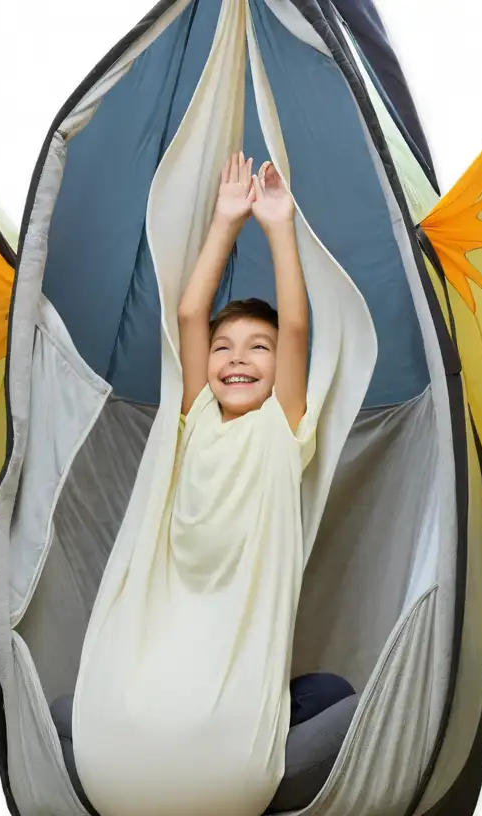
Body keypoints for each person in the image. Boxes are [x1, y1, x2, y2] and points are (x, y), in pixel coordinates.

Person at [62, 153, 356, 816]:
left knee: (72, 715)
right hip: (212, 759)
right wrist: (228, 220)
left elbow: (295, 325)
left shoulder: (282, 428)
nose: (237, 359)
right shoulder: (191, 421)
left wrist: (277, 225)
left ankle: (181, 754)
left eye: (259, 347)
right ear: (207, 366)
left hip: (202, 738)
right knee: (337, 698)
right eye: (225, 348)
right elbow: (190, 312)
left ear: (283, 369)